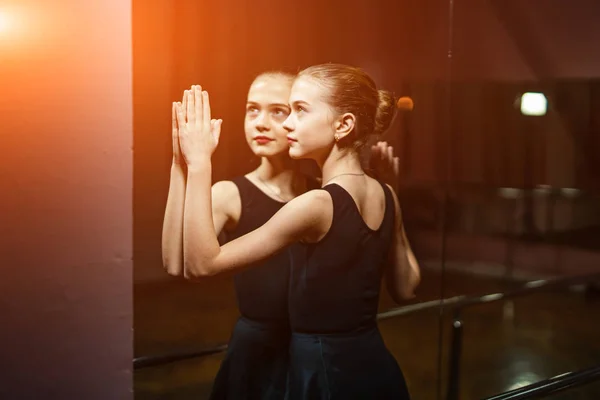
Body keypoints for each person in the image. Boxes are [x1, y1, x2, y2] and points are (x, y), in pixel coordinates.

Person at [175, 63, 419, 399]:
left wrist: (199, 162)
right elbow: (407, 288)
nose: (287, 123)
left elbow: (201, 264)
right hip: (374, 369)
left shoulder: (316, 204)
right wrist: (394, 197)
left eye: (300, 111)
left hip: (324, 376)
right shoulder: (387, 194)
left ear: (344, 125)